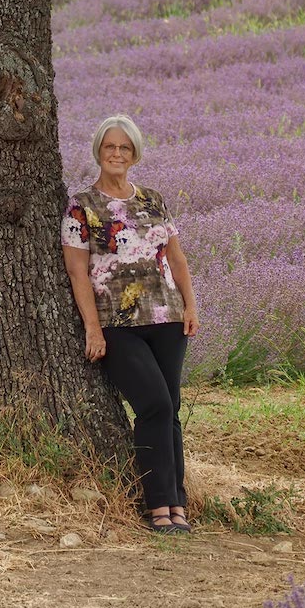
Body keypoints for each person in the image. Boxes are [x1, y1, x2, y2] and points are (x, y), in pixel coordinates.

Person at [60, 114, 200, 534]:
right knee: (153, 404)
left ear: (134, 153)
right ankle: (157, 506)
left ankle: (177, 505)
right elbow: (77, 272)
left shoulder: (153, 199)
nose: (117, 154)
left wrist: (190, 307)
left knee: (170, 409)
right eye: (109, 147)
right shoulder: (81, 206)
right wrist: (92, 328)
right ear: (99, 153)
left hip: (168, 317)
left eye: (124, 148)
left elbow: (176, 258)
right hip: (118, 324)